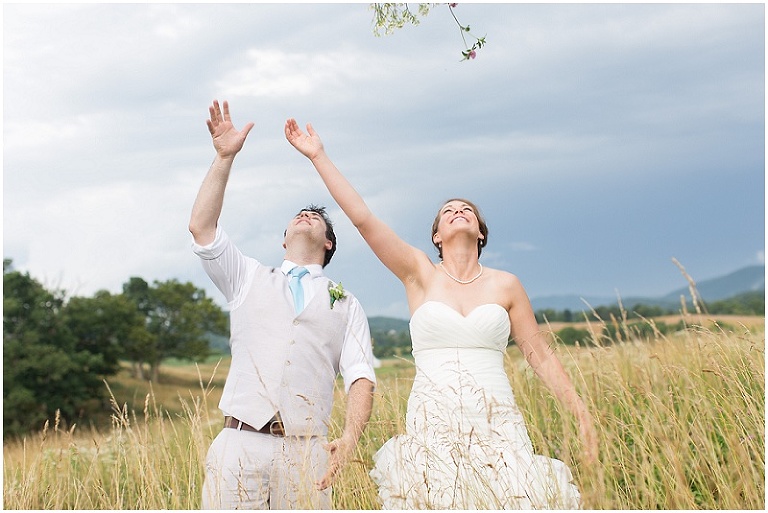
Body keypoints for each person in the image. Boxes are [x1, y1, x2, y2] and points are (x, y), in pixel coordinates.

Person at [285, 118, 599, 509]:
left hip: (498, 420)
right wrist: (319, 156)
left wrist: (581, 412)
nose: (457, 211)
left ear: (481, 233)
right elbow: (363, 219)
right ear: (436, 235)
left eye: (467, 209)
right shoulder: (420, 274)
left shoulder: (507, 285)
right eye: (448, 211)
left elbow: (540, 356)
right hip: (433, 423)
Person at [189, 100, 377, 510]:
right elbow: (202, 228)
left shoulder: (346, 304)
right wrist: (224, 157)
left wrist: (349, 437)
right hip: (239, 442)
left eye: (316, 217)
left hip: (307, 452)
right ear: (284, 239)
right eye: (298, 215)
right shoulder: (247, 277)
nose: (305, 216)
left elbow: (361, 375)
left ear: (329, 243)